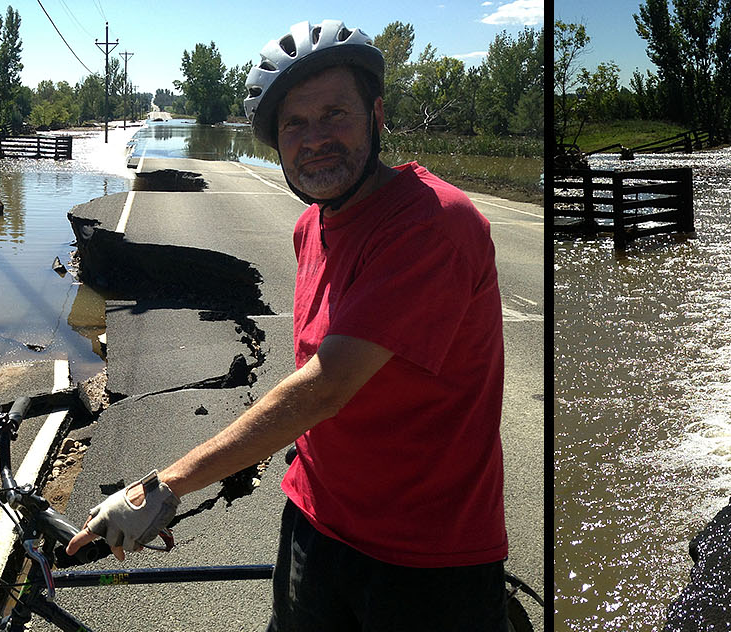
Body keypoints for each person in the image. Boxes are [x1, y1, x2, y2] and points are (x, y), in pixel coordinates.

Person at [66, 19, 510, 631]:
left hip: (425, 558)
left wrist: (164, 486)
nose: (315, 139)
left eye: (335, 114)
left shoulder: (435, 224)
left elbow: (326, 386)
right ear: (275, 142)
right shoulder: (311, 229)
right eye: (294, 124)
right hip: (316, 524)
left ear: (376, 115)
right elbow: (314, 390)